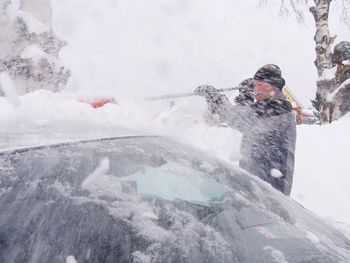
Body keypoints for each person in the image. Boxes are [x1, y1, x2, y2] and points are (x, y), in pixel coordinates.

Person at [194, 64, 296, 195]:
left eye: (263, 86)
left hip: (272, 190)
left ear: (275, 88)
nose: (258, 90)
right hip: (254, 185)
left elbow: (243, 120)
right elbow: (247, 115)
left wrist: (217, 100)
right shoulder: (267, 108)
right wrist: (245, 99)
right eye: (256, 86)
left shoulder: (280, 111)